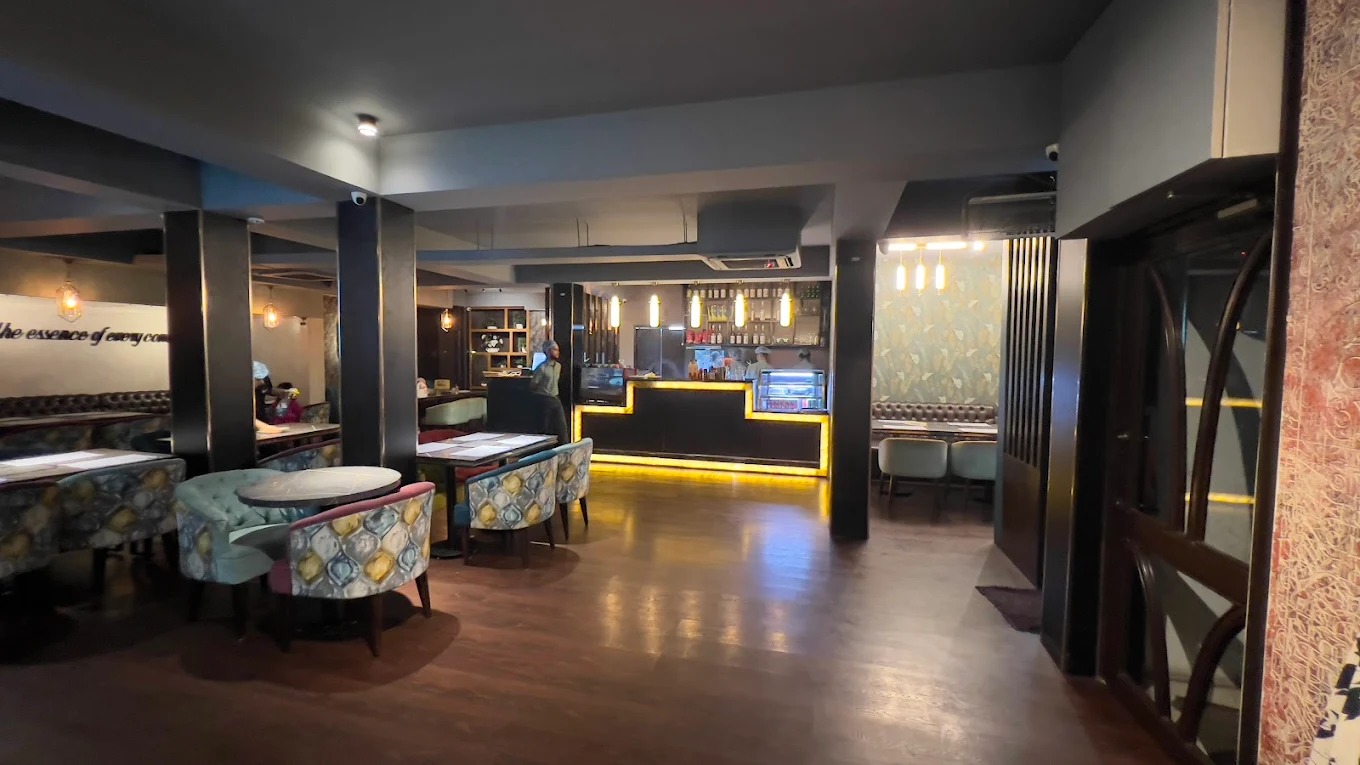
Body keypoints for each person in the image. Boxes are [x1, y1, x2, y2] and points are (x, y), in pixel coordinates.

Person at [531, 339, 570, 444]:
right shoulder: (541, 368)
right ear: (548, 351)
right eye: (554, 349)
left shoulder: (558, 366)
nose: (557, 352)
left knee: (562, 427)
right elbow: (533, 384)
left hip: (555, 398)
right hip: (544, 399)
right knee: (544, 427)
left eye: (558, 350)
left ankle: (565, 449)